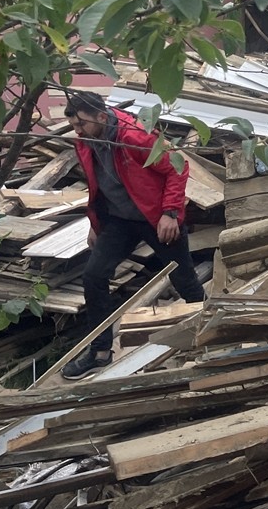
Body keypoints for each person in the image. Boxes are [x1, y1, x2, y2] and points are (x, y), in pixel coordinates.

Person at [60, 91, 205, 379]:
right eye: (74, 125)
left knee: (184, 279)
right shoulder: (85, 140)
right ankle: (100, 352)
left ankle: (209, 334)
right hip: (119, 220)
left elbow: (178, 167)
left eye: (82, 124)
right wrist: (95, 224)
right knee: (94, 276)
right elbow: (97, 184)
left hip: (155, 217)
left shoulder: (135, 136)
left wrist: (170, 213)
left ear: (102, 116)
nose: (78, 131)